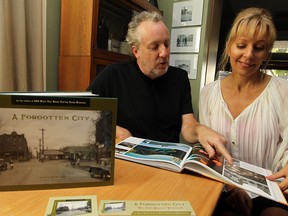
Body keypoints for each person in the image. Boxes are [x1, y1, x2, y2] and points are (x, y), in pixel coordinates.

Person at [88, 11, 232, 163]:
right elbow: (82, 114)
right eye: (154, 46)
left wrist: (199, 130)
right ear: (136, 51)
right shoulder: (114, 75)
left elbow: (188, 125)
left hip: (167, 164)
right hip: (127, 163)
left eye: (167, 44)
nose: (164, 52)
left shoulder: (180, 78)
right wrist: (113, 129)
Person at [199, 7, 288, 216]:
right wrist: (233, 188)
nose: (249, 55)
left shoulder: (283, 91)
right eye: (241, 45)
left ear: (266, 53)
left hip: (272, 193)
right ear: (229, 46)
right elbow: (208, 151)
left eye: (259, 48)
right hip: (222, 189)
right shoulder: (207, 93)